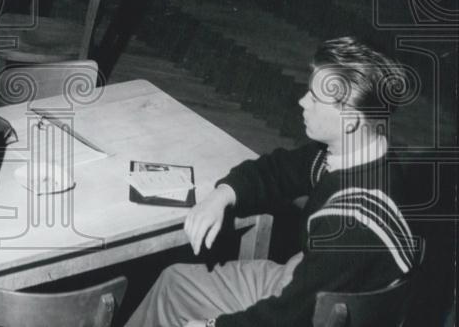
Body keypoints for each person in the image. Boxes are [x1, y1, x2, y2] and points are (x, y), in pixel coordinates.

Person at [125, 37, 421, 327]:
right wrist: (223, 194)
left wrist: (212, 325)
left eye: (315, 98)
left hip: (306, 311)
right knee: (174, 283)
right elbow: (278, 170)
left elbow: (289, 317)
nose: (302, 101)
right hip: (309, 282)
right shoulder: (357, 154)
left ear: (351, 120)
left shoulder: (349, 226)